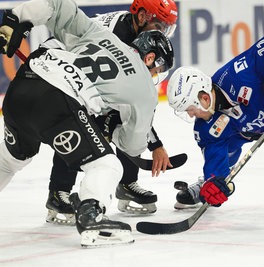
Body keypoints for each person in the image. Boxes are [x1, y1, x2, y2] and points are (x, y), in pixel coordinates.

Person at [0, 0, 174, 247]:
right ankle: (91, 216)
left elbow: (57, 5)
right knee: (108, 165)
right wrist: (114, 124)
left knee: (9, 160)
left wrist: (15, 19)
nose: (156, 75)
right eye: (158, 69)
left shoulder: (102, 33)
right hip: (57, 103)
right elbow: (133, 146)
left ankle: (61, 193)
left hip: (22, 87)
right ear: (150, 58)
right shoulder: (146, 89)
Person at [45, 0, 178, 225]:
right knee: (78, 122)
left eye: (167, 27)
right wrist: (155, 145)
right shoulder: (121, 39)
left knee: (119, 116)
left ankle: (126, 182)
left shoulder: (137, 35)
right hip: (59, 65)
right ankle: (59, 192)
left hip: (76, 65)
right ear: (143, 16)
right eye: (159, 25)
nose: (163, 32)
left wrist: (154, 144)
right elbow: (136, 105)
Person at [167, 31, 264, 208]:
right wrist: (214, 180)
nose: (191, 115)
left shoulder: (238, 75)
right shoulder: (205, 126)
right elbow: (214, 154)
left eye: (190, 109)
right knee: (226, 144)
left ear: (204, 97)